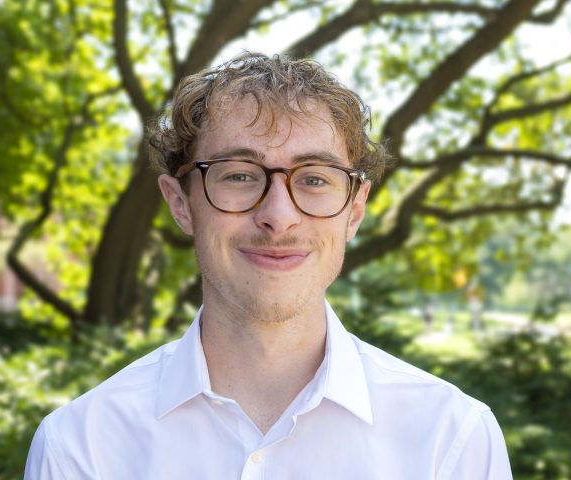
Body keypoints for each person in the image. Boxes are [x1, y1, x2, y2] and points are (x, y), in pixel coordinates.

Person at [25, 52, 512, 479]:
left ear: (355, 210)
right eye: (239, 175)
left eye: (315, 179)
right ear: (179, 204)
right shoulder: (80, 448)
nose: (278, 216)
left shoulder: (451, 441)